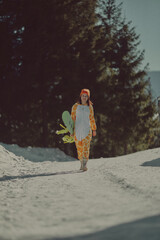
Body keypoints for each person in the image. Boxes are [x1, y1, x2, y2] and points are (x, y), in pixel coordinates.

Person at [71, 89, 97, 171]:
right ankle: (81, 163)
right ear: (80, 96)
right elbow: (72, 119)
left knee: (86, 147)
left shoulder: (90, 107)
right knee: (79, 148)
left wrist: (94, 129)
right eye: (83, 96)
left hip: (87, 130)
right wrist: (71, 131)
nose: (84, 97)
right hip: (77, 131)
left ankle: (85, 164)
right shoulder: (75, 106)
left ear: (88, 97)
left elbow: (92, 118)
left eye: (86, 96)